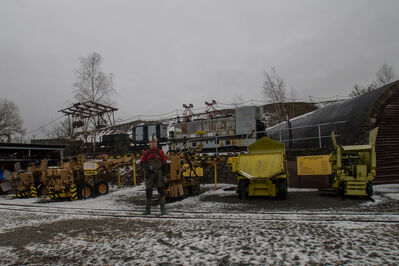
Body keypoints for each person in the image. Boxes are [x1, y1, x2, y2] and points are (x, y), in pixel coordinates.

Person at [140, 136, 167, 215]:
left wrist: (164, 175)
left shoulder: (161, 152)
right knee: (148, 192)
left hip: (159, 175)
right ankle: (147, 210)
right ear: (149, 144)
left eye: (155, 142)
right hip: (149, 175)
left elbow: (165, 165)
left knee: (161, 191)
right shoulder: (146, 153)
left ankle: (163, 209)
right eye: (152, 142)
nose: (153, 144)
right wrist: (148, 167)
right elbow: (141, 163)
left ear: (157, 143)